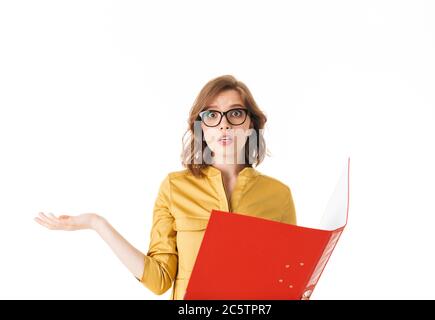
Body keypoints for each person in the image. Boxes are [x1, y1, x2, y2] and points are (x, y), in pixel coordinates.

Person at [34, 74, 297, 300]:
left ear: (251, 123)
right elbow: (159, 279)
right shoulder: (174, 187)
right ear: (201, 126)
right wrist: (96, 223)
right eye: (212, 115)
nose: (224, 124)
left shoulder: (278, 195)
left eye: (236, 113)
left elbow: (288, 282)